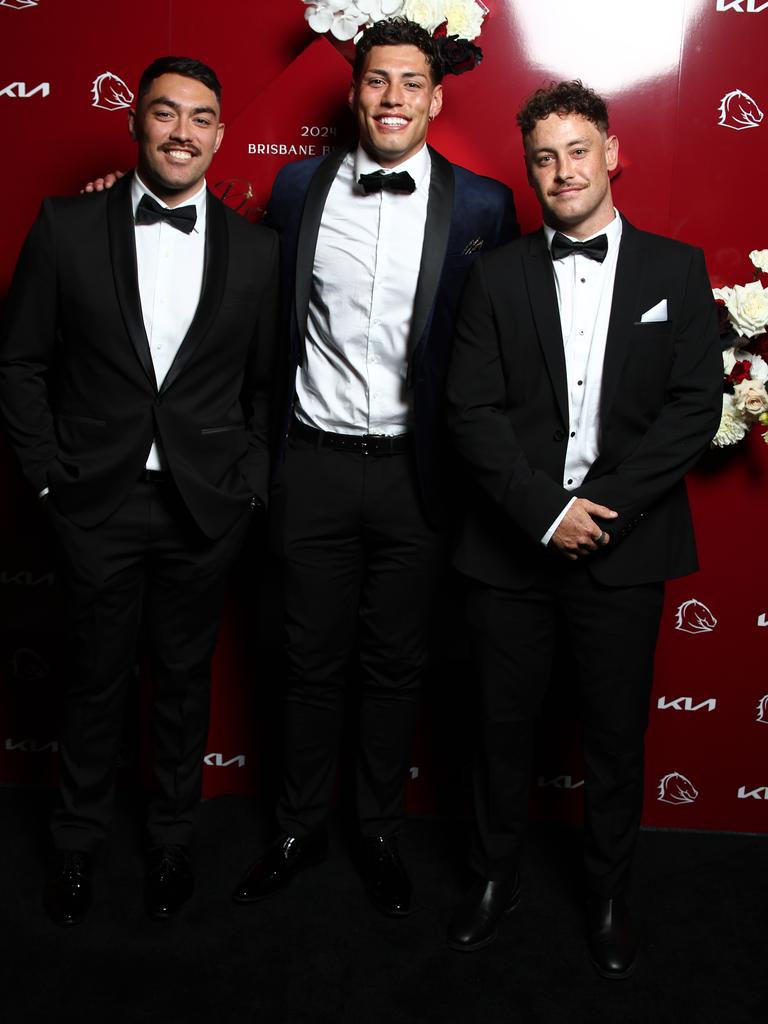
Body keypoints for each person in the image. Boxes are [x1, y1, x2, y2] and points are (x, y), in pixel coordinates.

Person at [231, 18, 519, 917]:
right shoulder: (294, 188)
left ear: (437, 98)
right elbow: (243, 290)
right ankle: (295, 827)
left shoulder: (482, 206)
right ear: (354, 93)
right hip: (310, 464)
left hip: (418, 476)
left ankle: (379, 829)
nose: (392, 98)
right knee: (308, 662)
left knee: (397, 667)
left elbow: (502, 343)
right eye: (377, 81)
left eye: (410, 83)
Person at [444, 81, 722, 974]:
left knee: (612, 736)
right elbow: (470, 410)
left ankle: (607, 894)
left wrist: (598, 512)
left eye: (575, 150)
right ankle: (494, 877)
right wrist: (545, 513)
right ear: (529, 170)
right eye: (543, 157)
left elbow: (691, 407)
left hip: (625, 545)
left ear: (611, 152)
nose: (561, 171)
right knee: (500, 730)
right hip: (509, 548)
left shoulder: (675, 269)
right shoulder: (494, 273)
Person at [0, 56, 278, 926]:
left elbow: (267, 387)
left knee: (185, 682)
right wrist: (49, 479)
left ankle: (169, 842)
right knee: (94, 679)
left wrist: (247, 488)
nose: (182, 132)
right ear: (136, 124)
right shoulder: (65, 226)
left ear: (221, 136)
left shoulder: (260, 253)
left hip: (205, 508)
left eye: (201, 118)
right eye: (165, 114)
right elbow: (19, 364)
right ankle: (76, 846)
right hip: (94, 502)